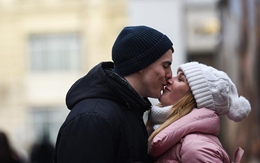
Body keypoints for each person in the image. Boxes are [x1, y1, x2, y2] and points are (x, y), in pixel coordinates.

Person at [54, 25, 174, 163]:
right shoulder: (93, 118)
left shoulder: (129, 110)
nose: (170, 75)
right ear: (141, 64)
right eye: (165, 66)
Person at [147, 61, 251, 163]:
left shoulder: (196, 149)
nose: (170, 79)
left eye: (180, 79)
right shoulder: (166, 133)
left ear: (193, 98)